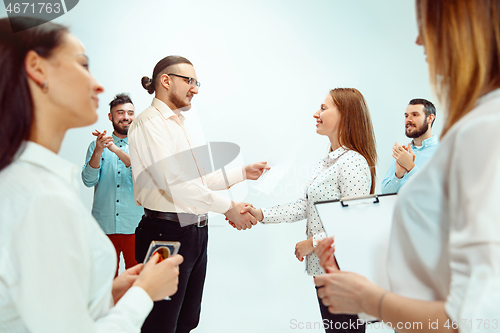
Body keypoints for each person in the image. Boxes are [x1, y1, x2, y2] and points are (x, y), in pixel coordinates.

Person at [315, 1, 500, 332]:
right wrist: (357, 273)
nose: (418, 41)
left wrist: (368, 300)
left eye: (425, 24)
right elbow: (436, 261)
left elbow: (479, 318)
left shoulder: (482, 132)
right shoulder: (472, 128)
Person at [0, 17, 183, 332]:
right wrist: (143, 294)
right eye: (83, 65)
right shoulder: (43, 197)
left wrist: (109, 293)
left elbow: (44, 307)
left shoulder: (30, 182)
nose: (97, 84)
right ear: (37, 68)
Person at [128, 55, 270, 333]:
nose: (195, 88)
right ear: (166, 81)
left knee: (187, 321)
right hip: (165, 232)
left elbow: (201, 180)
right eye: (189, 81)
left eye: (196, 82)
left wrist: (242, 172)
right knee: (161, 322)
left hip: (195, 233)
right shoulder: (149, 123)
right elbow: (174, 183)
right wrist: (228, 207)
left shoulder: (184, 123)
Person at [236, 88, 377, 333]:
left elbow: (354, 221)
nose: (316, 114)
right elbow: (306, 204)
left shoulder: (353, 161)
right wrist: (261, 214)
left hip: (342, 273)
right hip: (327, 271)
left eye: (324, 108)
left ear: (345, 115)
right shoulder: (330, 159)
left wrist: (311, 243)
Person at [82, 93, 143, 277]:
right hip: (103, 226)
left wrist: (113, 148)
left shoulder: (143, 146)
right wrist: (99, 150)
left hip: (135, 226)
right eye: (120, 112)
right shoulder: (96, 146)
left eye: (130, 113)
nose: (126, 117)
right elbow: (88, 180)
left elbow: (144, 175)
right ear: (110, 116)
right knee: (105, 280)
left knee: (136, 280)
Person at [381, 98, 439, 193]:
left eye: (415, 115)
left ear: (430, 118)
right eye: (406, 116)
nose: (409, 120)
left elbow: (437, 192)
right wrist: (398, 175)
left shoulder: (443, 150)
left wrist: (410, 167)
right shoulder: (403, 152)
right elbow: (385, 193)